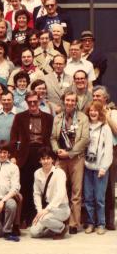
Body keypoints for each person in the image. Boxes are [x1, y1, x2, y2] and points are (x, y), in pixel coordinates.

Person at [10, 91, 53, 225]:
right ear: (26, 102)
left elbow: (51, 138)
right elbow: (13, 138)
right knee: (26, 186)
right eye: (30, 102)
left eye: (35, 101)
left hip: (42, 154)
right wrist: (14, 156)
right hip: (25, 154)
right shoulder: (19, 117)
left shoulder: (49, 118)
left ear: (39, 101)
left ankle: (39, 216)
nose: (33, 104)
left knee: (41, 186)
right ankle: (24, 217)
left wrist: (51, 157)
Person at [50, 91, 89, 234]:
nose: (70, 103)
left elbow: (84, 139)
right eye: (67, 100)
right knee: (59, 190)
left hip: (76, 158)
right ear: (63, 101)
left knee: (76, 192)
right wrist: (57, 150)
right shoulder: (58, 118)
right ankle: (60, 221)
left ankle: (74, 223)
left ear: (76, 102)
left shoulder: (82, 118)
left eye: (73, 101)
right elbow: (53, 138)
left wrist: (70, 153)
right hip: (61, 158)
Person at [82, 101, 113, 235]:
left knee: (99, 198)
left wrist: (104, 167)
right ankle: (90, 223)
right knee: (88, 197)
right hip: (87, 167)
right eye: (91, 111)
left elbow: (108, 150)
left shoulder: (105, 128)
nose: (93, 113)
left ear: (100, 113)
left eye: (96, 111)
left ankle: (101, 224)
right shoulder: (85, 126)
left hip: (100, 168)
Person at [30, 147, 70, 239]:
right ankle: (53, 227)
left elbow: (61, 194)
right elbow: (36, 193)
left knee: (44, 218)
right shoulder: (37, 173)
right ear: (40, 160)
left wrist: (47, 210)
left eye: (48, 158)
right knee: (34, 232)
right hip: (47, 210)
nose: (46, 161)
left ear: (52, 159)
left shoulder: (59, 173)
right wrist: (39, 211)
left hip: (61, 209)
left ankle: (61, 227)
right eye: (43, 159)